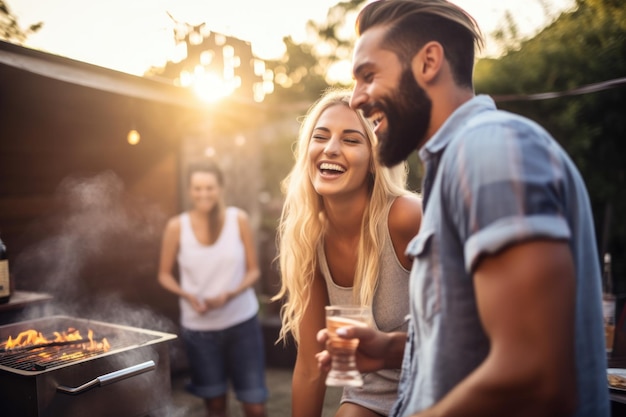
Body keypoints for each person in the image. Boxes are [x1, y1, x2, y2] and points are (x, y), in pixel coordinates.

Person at [316, 1, 609, 416]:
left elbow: (536, 377)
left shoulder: (489, 150)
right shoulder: (452, 168)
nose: (359, 99)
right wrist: (389, 350)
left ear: (428, 62)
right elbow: (473, 345)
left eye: (369, 75)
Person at [273, 88, 422, 417]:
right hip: (369, 395)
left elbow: (469, 329)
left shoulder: (407, 218)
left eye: (351, 140)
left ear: (374, 159)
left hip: (437, 390)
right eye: (320, 136)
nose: (331, 149)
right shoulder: (308, 239)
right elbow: (312, 366)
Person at [158, 161, 268, 417]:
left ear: (220, 188)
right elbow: (164, 275)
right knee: (216, 406)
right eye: (197, 188)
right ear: (189, 190)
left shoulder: (237, 219)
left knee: (255, 405)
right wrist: (187, 295)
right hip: (200, 332)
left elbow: (254, 271)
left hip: (242, 324)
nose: (203, 194)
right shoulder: (177, 226)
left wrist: (230, 294)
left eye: (209, 187)